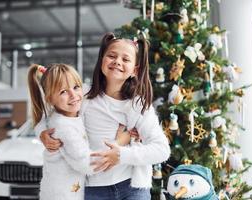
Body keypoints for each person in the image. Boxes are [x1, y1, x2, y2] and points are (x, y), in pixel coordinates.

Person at [39, 32, 171, 200]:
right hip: (93, 189)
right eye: (112, 56)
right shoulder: (83, 95)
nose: (117, 62)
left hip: (131, 187)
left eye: (126, 59)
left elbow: (162, 150)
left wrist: (121, 155)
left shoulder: (139, 106)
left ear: (134, 71)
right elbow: (53, 114)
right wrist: (43, 133)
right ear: (102, 60)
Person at [27, 63, 131, 200]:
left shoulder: (74, 110)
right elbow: (87, 164)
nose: (73, 95)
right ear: (50, 99)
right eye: (63, 91)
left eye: (76, 87)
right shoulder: (64, 127)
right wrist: (120, 142)